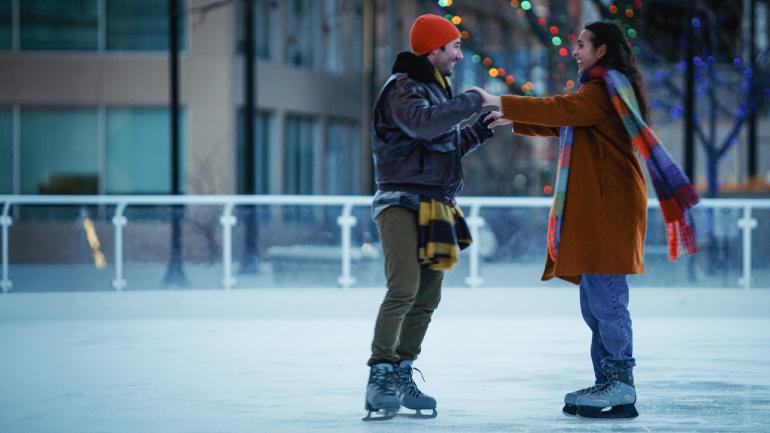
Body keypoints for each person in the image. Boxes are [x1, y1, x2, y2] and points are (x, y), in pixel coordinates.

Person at [474, 21, 699, 419]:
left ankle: (620, 382)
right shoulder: (599, 92)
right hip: (599, 208)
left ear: (602, 50)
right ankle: (607, 379)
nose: (574, 51)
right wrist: (513, 120)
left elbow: (564, 111)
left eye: (581, 45)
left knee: (608, 300)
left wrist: (501, 101)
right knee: (595, 304)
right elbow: (567, 120)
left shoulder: (603, 89)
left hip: (608, 209)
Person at [363, 14, 498, 421]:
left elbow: (439, 143)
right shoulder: (402, 88)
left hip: (435, 204)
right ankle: (380, 375)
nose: (459, 55)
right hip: (401, 202)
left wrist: (478, 129)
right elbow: (422, 127)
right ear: (433, 49)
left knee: (427, 296)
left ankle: (403, 370)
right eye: (454, 47)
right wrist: (474, 99)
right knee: (403, 286)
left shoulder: (434, 90)